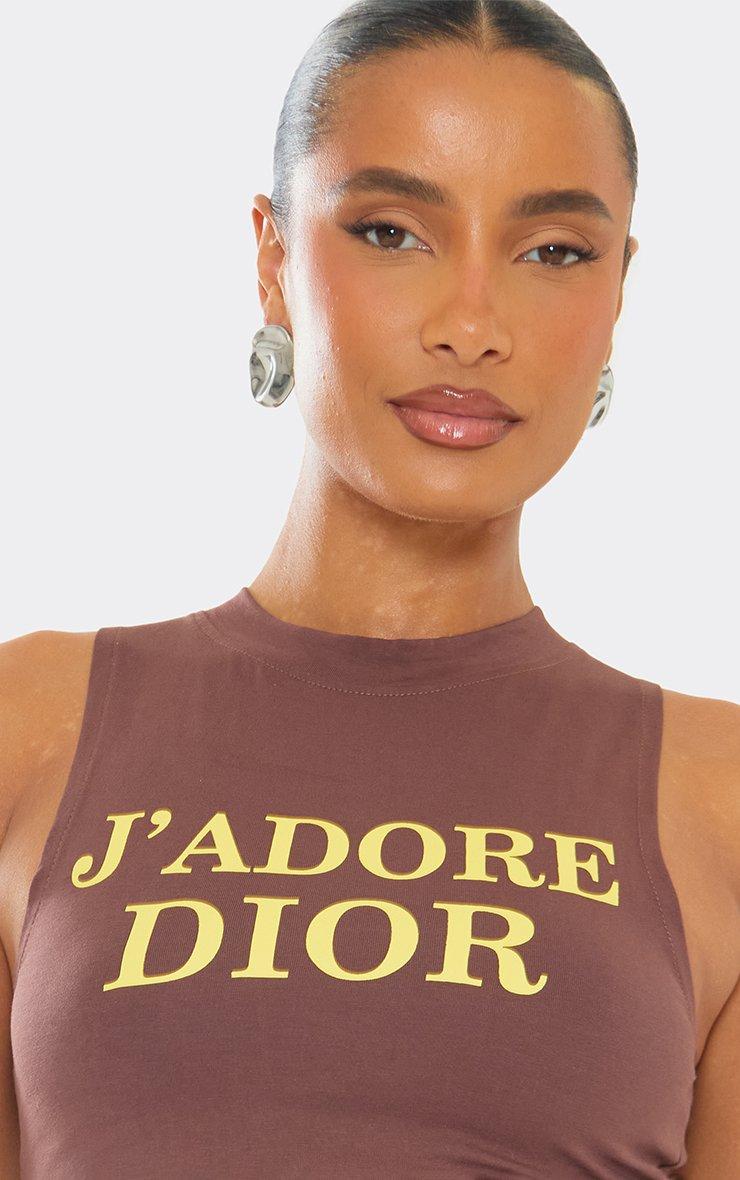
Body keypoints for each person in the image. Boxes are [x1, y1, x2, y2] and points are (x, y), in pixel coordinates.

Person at [1, 0, 738, 1176]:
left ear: (614, 299)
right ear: (273, 260)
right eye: (392, 231)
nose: (471, 325)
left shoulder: (719, 798)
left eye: (553, 251)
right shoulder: (29, 728)